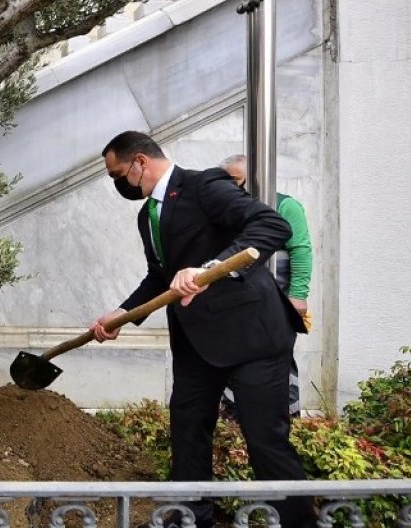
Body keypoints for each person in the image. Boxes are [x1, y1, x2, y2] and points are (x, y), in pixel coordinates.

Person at [91, 131, 315, 528]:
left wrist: (209, 268)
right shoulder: (149, 216)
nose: (118, 184)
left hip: (252, 336)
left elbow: (271, 225)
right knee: (188, 432)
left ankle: (297, 523)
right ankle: (190, 519)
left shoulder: (204, 184)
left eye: (117, 174)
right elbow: (160, 277)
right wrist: (121, 314)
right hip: (196, 343)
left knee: (266, 441)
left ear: (140, 162)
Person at [219, 154, 312, 419]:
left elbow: (301, 251)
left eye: (235, 180)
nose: (229, 187)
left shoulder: (286, 206)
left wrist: (298, 296)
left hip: (277, 299)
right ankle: (234, 415)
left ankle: (287, 414)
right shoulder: (225, 209)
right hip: (237, 301)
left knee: (278, 354)